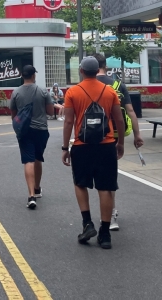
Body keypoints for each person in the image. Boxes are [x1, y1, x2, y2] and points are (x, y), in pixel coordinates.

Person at [62, 56, 124, 248]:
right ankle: (105, 234)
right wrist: (120, 142)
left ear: (81, 70)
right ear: (98, 71)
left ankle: (87, 222)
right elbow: (119, 120)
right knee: (105, 187)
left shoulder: (73, 92)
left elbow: (69, 122)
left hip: (82, 145)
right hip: (106, 145)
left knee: (80, 183)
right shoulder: (109, 91)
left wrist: (65, 148)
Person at [94, 53, 144, 231]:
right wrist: (137, 135)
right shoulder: (117, 85)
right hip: (114, 134)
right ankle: (111, 213)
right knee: (109, 175)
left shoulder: (89, 85)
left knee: (94, 177)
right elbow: (130, 111)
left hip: (93, 135)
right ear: (105, 65)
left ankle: (104, 215)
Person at [10, 65, 55, 209]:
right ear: (34, 75)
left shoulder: (15, 92)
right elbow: (50, 111)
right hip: (41, 129)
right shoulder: (42, 91)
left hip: (24, 130)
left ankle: (31, 196)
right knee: (37, 158)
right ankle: (37, 188)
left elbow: (14, 115)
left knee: (28, 161)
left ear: (22, 76)